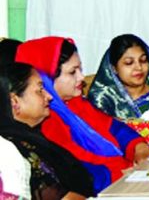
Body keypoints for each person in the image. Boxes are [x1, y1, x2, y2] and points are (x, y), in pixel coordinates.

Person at [14, 36, 149, 194]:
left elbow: (114, 127)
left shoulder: (76, 104)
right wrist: (121, 170)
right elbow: (77, 168)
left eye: (80, 69)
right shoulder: (46, 119)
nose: (81, 77)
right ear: (47, 80)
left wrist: (139, 147)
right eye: (73, 72)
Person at [1, 62, 95, 199]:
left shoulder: (32, 138)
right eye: (40, 90)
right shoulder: (15, 149)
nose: (49, 96)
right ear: (14, 101)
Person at [87, 34, 149, 119]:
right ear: (113, 69)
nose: (138, 67)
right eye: (129, 63)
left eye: (143, 60)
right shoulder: (103, 98)